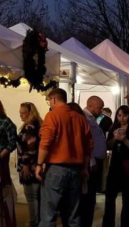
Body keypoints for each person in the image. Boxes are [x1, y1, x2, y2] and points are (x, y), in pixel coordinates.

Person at [36, 89, 93, 227]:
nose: (50, 103)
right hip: (76, 170)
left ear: (54, 99)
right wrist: (85, 168)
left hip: (56, 168)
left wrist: (39, 164)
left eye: (49, 100)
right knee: (73, 214)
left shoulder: (52, 115)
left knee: (49, 214)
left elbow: (46, 142)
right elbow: (89, 146)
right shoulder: (80, 118)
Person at [102, 106, 129, 227]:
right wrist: (115, 138)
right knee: (109, 197)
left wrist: (125, 139)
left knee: (128, 199)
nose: (122, 118)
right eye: (119, 115)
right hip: (115, 166)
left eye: (124, 115)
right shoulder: (114, 127)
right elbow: (108, 145)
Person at [0, 98, 18, 227]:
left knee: (4, 188)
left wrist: (2, 153)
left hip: (0, 161)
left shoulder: (6, 122)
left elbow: (13, 141)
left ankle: (7, 218)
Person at [80, 97, 107, 227]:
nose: (101, 111)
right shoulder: (85, 118)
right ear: (91, 106)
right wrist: (90, 161)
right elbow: (86, 142)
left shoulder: (91, 118)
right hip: (91, 163)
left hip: (95, 161)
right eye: (99, 107)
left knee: (90, 196)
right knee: (88, 198)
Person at [17, 102, 43, 227]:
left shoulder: (30, 127)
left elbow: (30, 147)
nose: (21, 115)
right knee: (37, 196)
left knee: (32, 196)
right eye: (20, 113)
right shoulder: (37, 124)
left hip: (30, 166)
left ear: (30, 113)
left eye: (23, 113)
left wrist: (26, 165)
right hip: (36, 165)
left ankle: (34, 222)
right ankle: (37, 221)